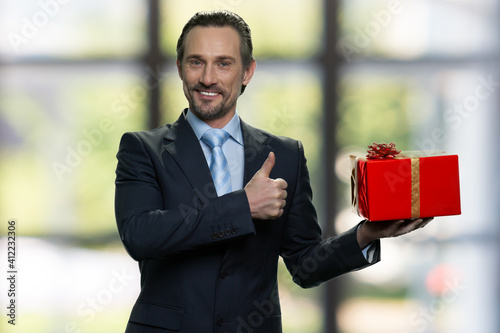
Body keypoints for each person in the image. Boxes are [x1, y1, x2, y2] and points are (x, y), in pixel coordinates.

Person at [114, 10, 432, 333]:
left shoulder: (284, 156)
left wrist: (367, 234)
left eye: (224, 63)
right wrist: (244, 205)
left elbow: (305, 264)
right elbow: (140, 235)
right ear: (181, 68)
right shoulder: (143, 150)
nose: (208, 78)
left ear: (247, 72)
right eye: (196, 62)